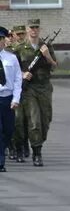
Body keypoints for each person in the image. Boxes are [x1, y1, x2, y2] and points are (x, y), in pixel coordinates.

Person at [15, 18, 57, 167]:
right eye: (31, 27)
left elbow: (54, 65)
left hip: (44, 87)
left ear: (39, 29)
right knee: (34, 121)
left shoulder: (46, 46)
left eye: (36, 28)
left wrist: (47, 55)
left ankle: (38, 142)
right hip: (29, 89)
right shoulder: (20, 48)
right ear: (27, 29)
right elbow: (12, 68)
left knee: (45, 120)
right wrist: (21, 74)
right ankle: (36, 153)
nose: (34, 30)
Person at [0, 26, 24, 173]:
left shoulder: (11, 58)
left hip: (8, 99)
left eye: (1, 39)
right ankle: (1, 161)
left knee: (8, 130)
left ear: (4, 41)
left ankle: (4, 149)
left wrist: (16, 98)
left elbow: (17, 80)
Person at [6, 25, 29, 163]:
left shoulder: (25, 50)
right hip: (12, 89)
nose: (19, 37)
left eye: (22, 34)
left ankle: (23, 145)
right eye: (16, 34)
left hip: (25, 89)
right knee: (14, 121)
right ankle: (13, 147)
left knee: (24, 121)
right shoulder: (10, 52)